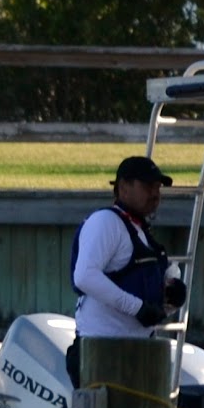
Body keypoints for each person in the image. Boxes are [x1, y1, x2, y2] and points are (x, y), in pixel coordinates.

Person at [67, 156, 187, 386]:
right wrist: (137, 308)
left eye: (158, 188)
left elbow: (165, 269)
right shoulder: (105, 222)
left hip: (138, 352)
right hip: (101, 353)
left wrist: (174, 288)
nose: (155, 194)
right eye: (147, 186)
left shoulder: (139, 229)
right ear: (122, 187)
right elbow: (84, 276)